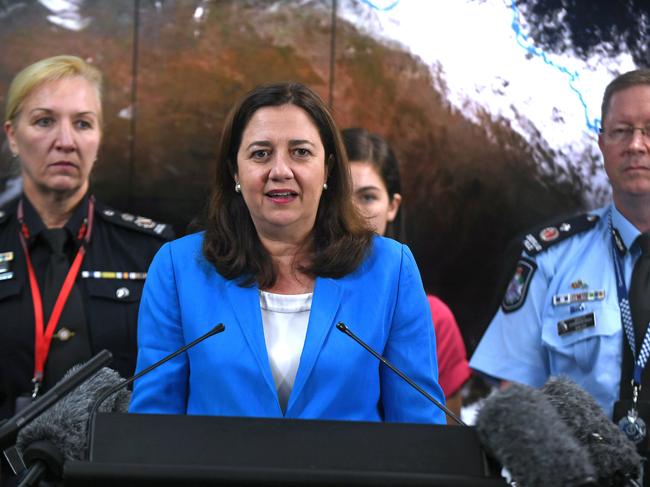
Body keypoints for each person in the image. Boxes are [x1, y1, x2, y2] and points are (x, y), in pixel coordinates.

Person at [129, 82, 446, 424]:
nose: (280, 171)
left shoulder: (391, 270)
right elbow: (153, 424)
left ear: (328, 169)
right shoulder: (178, 269)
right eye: (261, 153)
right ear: (235, 171)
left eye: (300, 152)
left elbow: (419, 424)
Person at [470, 69, 650, 458]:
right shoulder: (548, 257)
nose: (637, 144)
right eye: (621, 131)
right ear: (601, 143)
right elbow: (513, 396)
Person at [0, 55, 174, 421]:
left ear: (98, 139)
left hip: (110, 467)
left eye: (82, 123)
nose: (65, 141)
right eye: (44, 121)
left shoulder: (149, 252)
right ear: (13, 137)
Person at [342, 127, 471, 420]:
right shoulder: (294, 302)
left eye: (367, 197)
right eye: (340, 196)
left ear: (392, 206)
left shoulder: (434, 319)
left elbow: (442, 445)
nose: (351, 211)